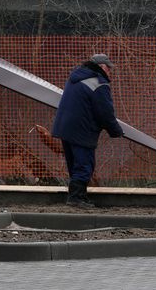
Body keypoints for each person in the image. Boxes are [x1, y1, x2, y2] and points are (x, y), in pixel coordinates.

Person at [51, 53, 124, 208]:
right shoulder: (98, 82)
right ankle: (76, 198)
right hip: (82, 129)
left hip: (65, 127)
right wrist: (115, 130)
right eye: (109, 68)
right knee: (84, 164)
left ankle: (78, 196)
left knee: (74, 164)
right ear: (102, 67)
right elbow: (105, 112)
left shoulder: (75, 78)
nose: (109, 72)